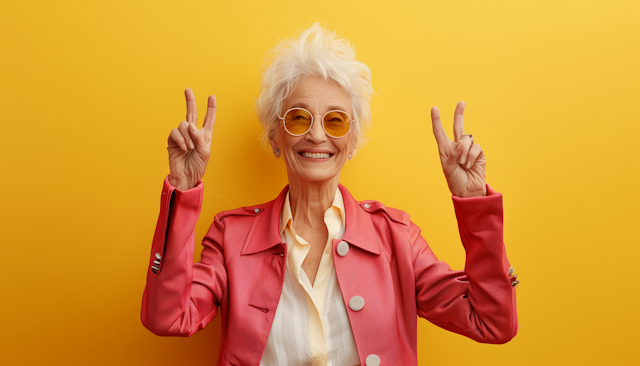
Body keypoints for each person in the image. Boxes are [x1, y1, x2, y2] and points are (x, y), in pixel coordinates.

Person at [141, 23, 518, 366]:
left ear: (352, 142)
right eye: (299, 118)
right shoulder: (230, 235)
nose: (317, 136)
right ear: (275, 136)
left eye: (335, 121)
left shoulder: (396, 237)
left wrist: (474, 204)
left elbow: (491, 321)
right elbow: (167, 316)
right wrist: (184, 189)